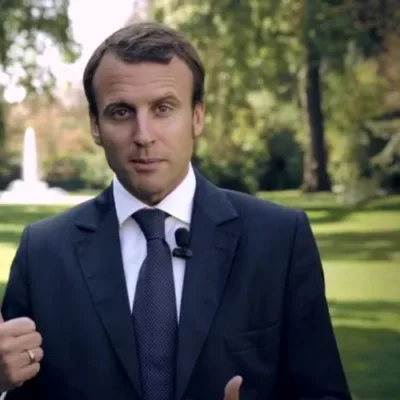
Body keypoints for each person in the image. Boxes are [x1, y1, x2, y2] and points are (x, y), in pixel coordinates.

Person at [0, 21, 351, 400]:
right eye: (121, 112)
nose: (144, 135)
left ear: (197, 117)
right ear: (95, 126)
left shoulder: (279, 240)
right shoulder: (43, 252)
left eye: (163, 108)